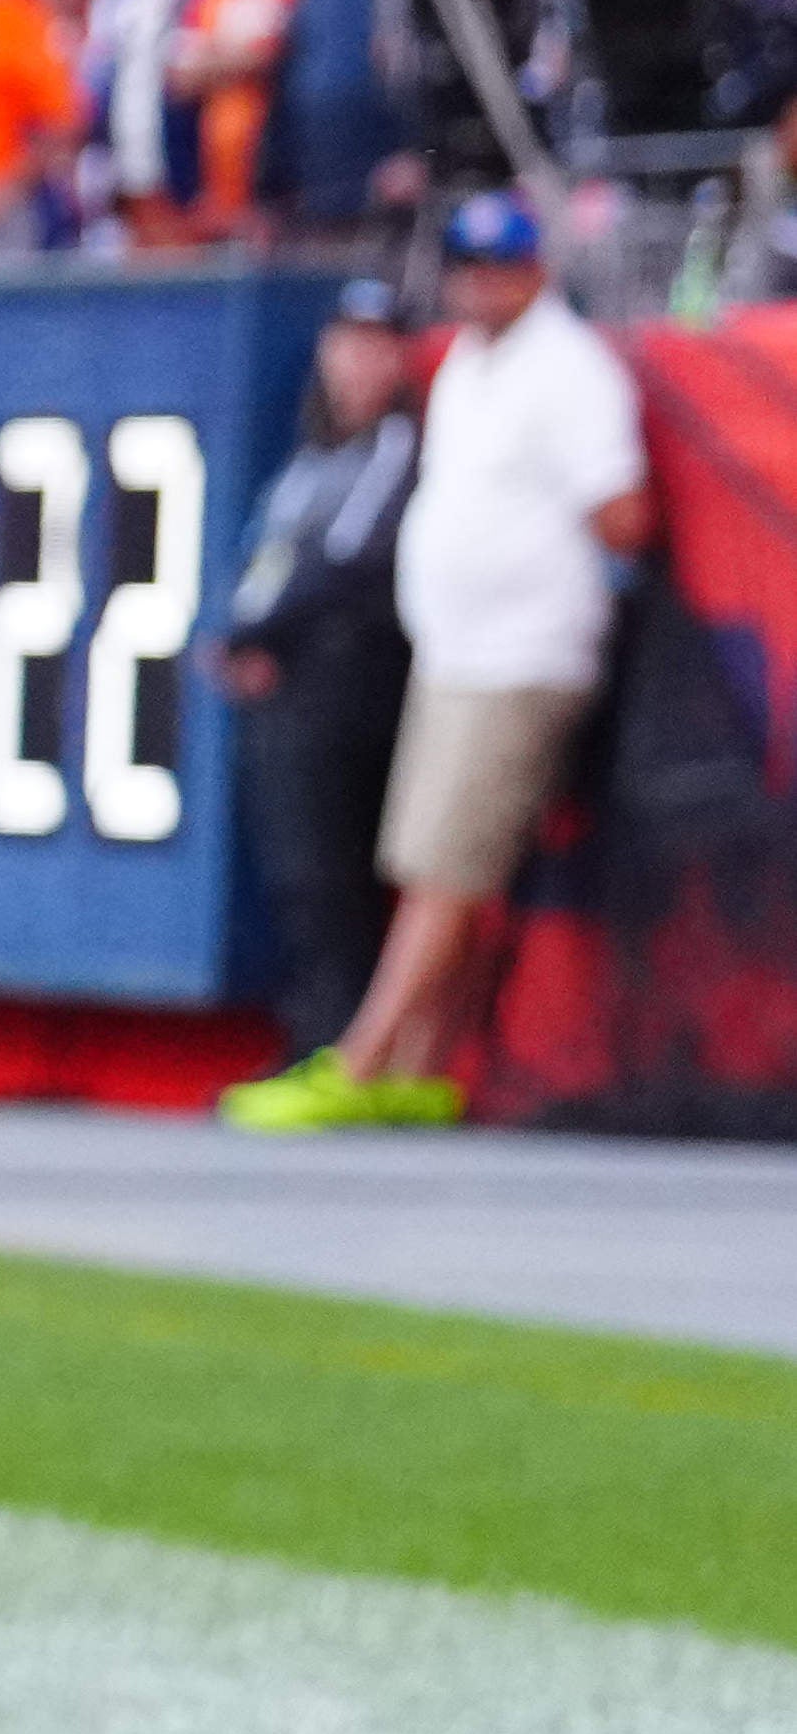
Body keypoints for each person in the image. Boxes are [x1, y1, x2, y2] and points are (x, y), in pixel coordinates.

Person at [238, 197, 647, 1130]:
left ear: (536, 270)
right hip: (456, 652)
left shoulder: (569, 370)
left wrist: (540, 568)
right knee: (434, 859)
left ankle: (361, 1059)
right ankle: (419, 1066)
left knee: (445, 869)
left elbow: (625, 516)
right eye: (467, 268)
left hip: (521, 652)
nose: (481, 285)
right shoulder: (464, 362)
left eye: (500, 267)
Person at [212, 284, 424, 1084]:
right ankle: (311, 1038)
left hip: (345, 678)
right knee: (294, 871)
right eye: (347, 341)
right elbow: (269, 557)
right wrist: (241, 635)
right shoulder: (310, 455)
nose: (358, 361)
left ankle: (343, 1047)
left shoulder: (396, 445)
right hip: (286, 681)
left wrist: (260, 633)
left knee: (331, 871)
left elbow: (347, 556)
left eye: (376, 344)